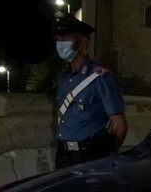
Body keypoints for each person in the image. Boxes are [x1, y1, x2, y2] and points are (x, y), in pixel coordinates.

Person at [52, 13, 128, 169]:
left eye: (66, 38)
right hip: (63, 155)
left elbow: (120, 126)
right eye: (58, 39)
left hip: (90, 156)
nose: (61, 44)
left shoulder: (101, 78)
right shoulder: (63, 79)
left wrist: (105, 155)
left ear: (82, 41)